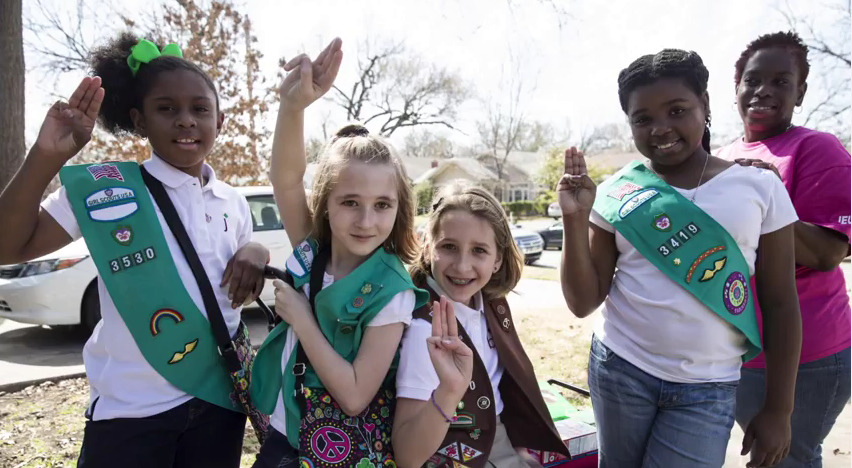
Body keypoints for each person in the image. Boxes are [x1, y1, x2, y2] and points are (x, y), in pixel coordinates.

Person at [0, 32, 269, 467]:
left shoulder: (233, 202)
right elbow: (7, 246)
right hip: (131, 411)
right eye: (166, 109)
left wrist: (257, 251)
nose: (185, 120)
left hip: (218, 400)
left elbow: (238, 256)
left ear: (220, 121)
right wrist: (47, 156)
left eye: (200, 109)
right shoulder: (103, 188)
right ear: (139, 121)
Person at [558, 49, 802, 468]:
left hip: (707, 388)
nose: (660, 128)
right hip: (621, 371)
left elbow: (780, 303)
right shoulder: (619, 192)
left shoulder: (759, 187)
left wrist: (780, 410)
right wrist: (575, 218)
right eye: (643, 119)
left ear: (704, 105)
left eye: (677, 110)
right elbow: (583, 303)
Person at [248, 38, 428, 468]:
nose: (366, 220)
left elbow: (353, 395)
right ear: (325, 204)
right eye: (350, 202)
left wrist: (302, 318)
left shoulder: (393, 290)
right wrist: (293, 106)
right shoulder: (314, 250)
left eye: (382, 205)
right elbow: (287, 179)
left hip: (340, 453)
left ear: (399, 208)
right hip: (282, 434)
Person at [718, 31, 852, 468]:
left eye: (781, 81)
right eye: (753, 79)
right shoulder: (722, 156)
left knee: (787, 459)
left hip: (808, 358)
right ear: (736, 85)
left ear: (800, 92)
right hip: (738, 352)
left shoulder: (816, 149)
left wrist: (767, 195)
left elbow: (828, 253)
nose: (764, 91)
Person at [392, 183, 569, 468]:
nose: (463, 266)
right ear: (426, 247)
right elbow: (408, 456)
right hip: (449, 450)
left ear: (497, 259)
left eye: (479, 251)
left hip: (498, 436)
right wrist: (449, 391)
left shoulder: (489, 303)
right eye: (449, 247)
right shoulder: (425, 330)